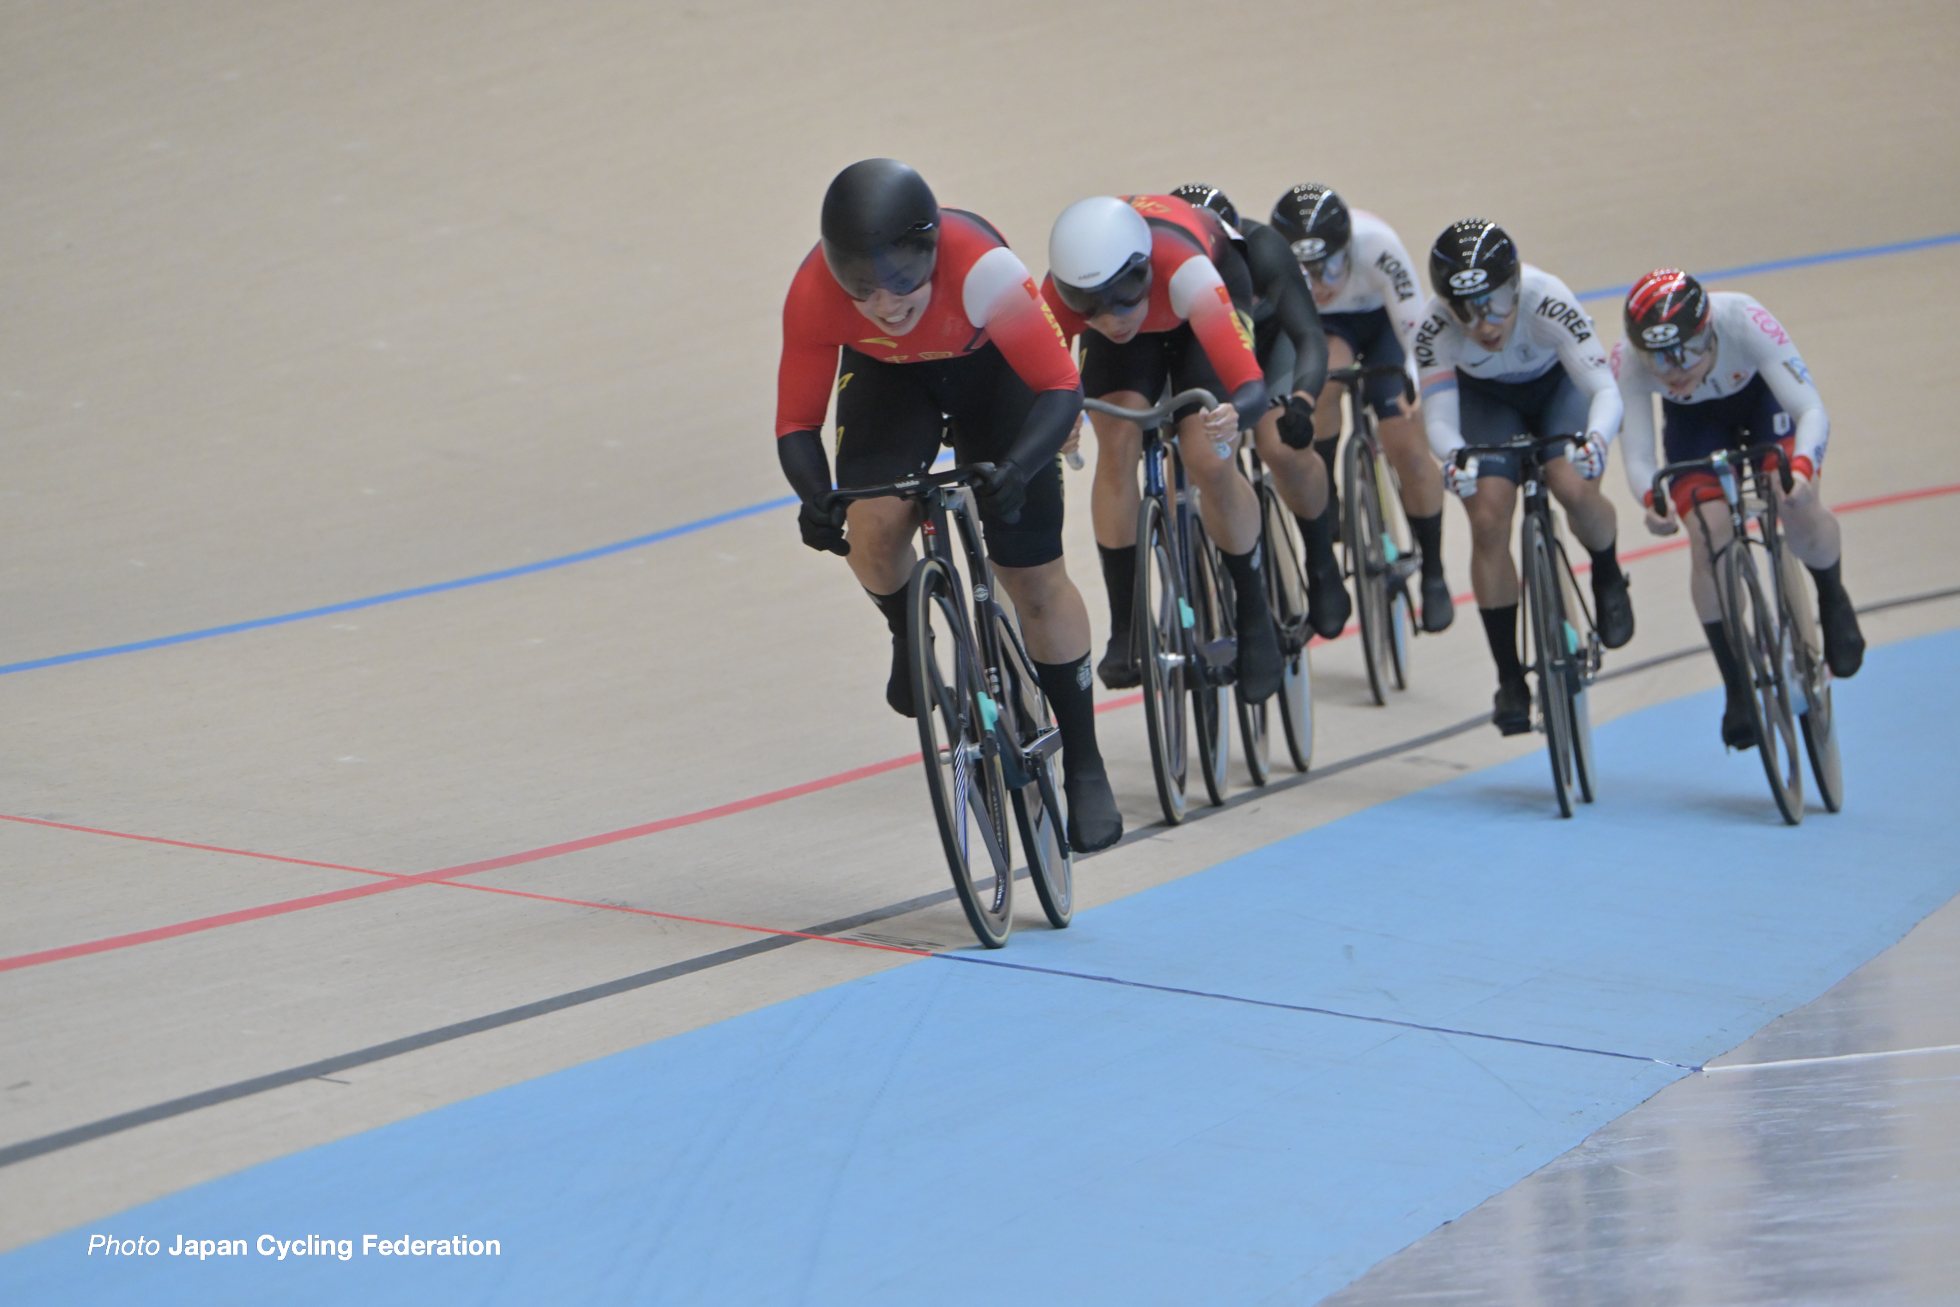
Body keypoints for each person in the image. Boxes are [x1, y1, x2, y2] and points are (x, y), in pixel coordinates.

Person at [775, 159, 1121, 851]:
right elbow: (795, 425)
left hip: (990, 371)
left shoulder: (983, 270)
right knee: (870, 527)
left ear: (933, 251)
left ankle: (1083, 760)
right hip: (888, 381)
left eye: (903, 278)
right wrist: (816, 499)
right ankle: (910, 630)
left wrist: (1020, 468)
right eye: (862, 288)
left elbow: (1058, 387)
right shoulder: (814, 292)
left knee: (1032, 577)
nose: (885, 303)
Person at [1040, 193, 1280, 700]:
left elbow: (1250, 384)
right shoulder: (1068, 297)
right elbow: (1037, 389)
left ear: (1142, 270)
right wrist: (1055, 425)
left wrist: (1238, 412)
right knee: (1117, 439)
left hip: (1193, 305)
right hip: (1145, 327)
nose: (1111, 319)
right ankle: (1127, 624)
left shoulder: (1189, 271)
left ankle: (1254, 613)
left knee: (1205, 456)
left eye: (1123, 298)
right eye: (1092, 309)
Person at [1614, 268, 1865, 749]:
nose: (1674, 370)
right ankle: (1735, 682)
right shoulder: (1627, 359)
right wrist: (1652, 499)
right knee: (1708, 539)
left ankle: (1832, 598)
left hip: (1759, 400)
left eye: (1685, 352)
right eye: (1658, 360)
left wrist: (1805, 474)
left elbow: (1810, 410)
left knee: (1790, 497)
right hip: (1693, 425)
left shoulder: (1743, 318)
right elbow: (1640, 455)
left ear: (1708, 330)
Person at [1415, 219, 1635, 734]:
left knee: (1571, 486)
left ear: (1515, 288)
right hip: (1486, 402)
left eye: (1495, 304)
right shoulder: (1433, 329)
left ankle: (1606, 572)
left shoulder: (1546, 300)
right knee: (1489, 518)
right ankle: (1509, 678)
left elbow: (1604, 389)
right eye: (1465, 312)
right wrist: (1455, 458)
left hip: (1558, 388)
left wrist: (1597, 440)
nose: (1485, 324)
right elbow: (1440, 421)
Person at [1271, 185, 1455, 633]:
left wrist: (1414, 383)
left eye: (1329, 269)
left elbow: (1415, 331)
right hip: (1324, 332)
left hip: (1382, 327)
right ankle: (1329, 493)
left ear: (1347, 250)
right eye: (1305, 275)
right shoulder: (1278, 268)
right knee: (1324, 386)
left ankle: (1433, 569)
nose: (1319, 286)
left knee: (1407, 444)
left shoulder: (1378, 246)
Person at [1169, 184, 1346, 638]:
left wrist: (1303, 403)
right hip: (1199, 356)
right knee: (1187, 465)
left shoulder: (1265, 250)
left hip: (1267, 351)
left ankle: (1321, 560)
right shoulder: (1160, 263)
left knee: (1281, 447)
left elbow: (1308, 337)